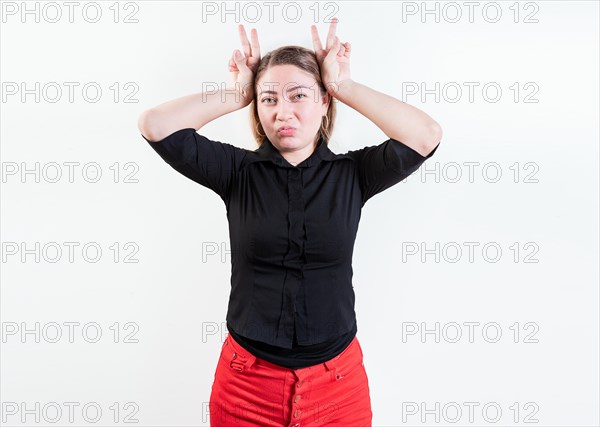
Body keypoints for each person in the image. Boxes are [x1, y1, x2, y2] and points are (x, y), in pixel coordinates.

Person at [138, 18, 441, 427]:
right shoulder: (235, 171)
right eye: (268, 99)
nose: (283, 112)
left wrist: (345, 86)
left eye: (299, 95)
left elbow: (425, 135)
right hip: (246, 385)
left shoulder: (354, 173)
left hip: (338, 384)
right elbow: (155, 125)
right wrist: (234, 94)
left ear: (323, 101)